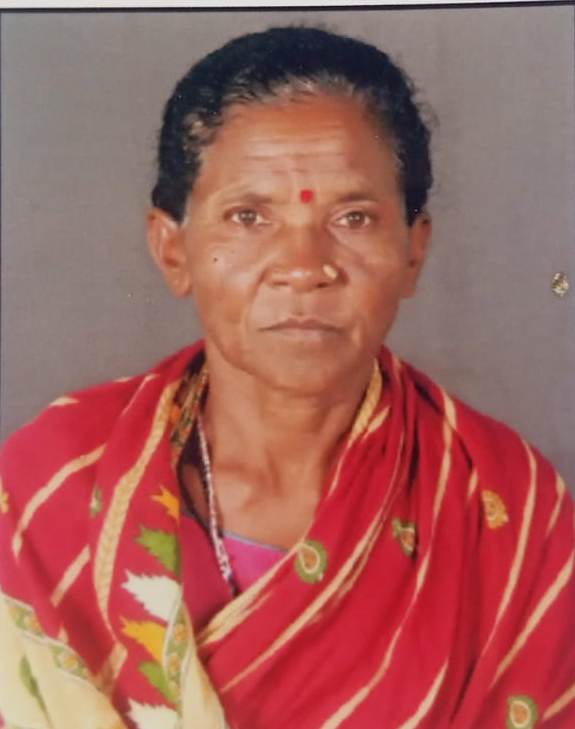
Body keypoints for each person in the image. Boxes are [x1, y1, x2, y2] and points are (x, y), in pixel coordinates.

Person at [0, 25, 573, 729]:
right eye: (249, 217)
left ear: (413, 252)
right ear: (173, 250)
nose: (305, 267)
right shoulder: (49, 483)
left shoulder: (504, 508)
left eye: (354, 218)